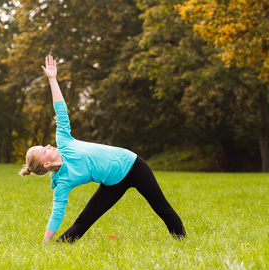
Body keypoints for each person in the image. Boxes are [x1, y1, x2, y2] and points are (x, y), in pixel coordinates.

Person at [20, 55, 186, 243]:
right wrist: (44, 242)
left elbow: (60, 110)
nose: (48, 145)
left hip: (132, 165)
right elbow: (57, 213)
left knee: (161, 207)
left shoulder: (64, 141)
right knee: (83, 221)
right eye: (44, 150)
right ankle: (51, 250)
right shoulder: (62, 182)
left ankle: (183, 243)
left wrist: (52, 79)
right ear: (46, 164)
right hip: (113, 184)